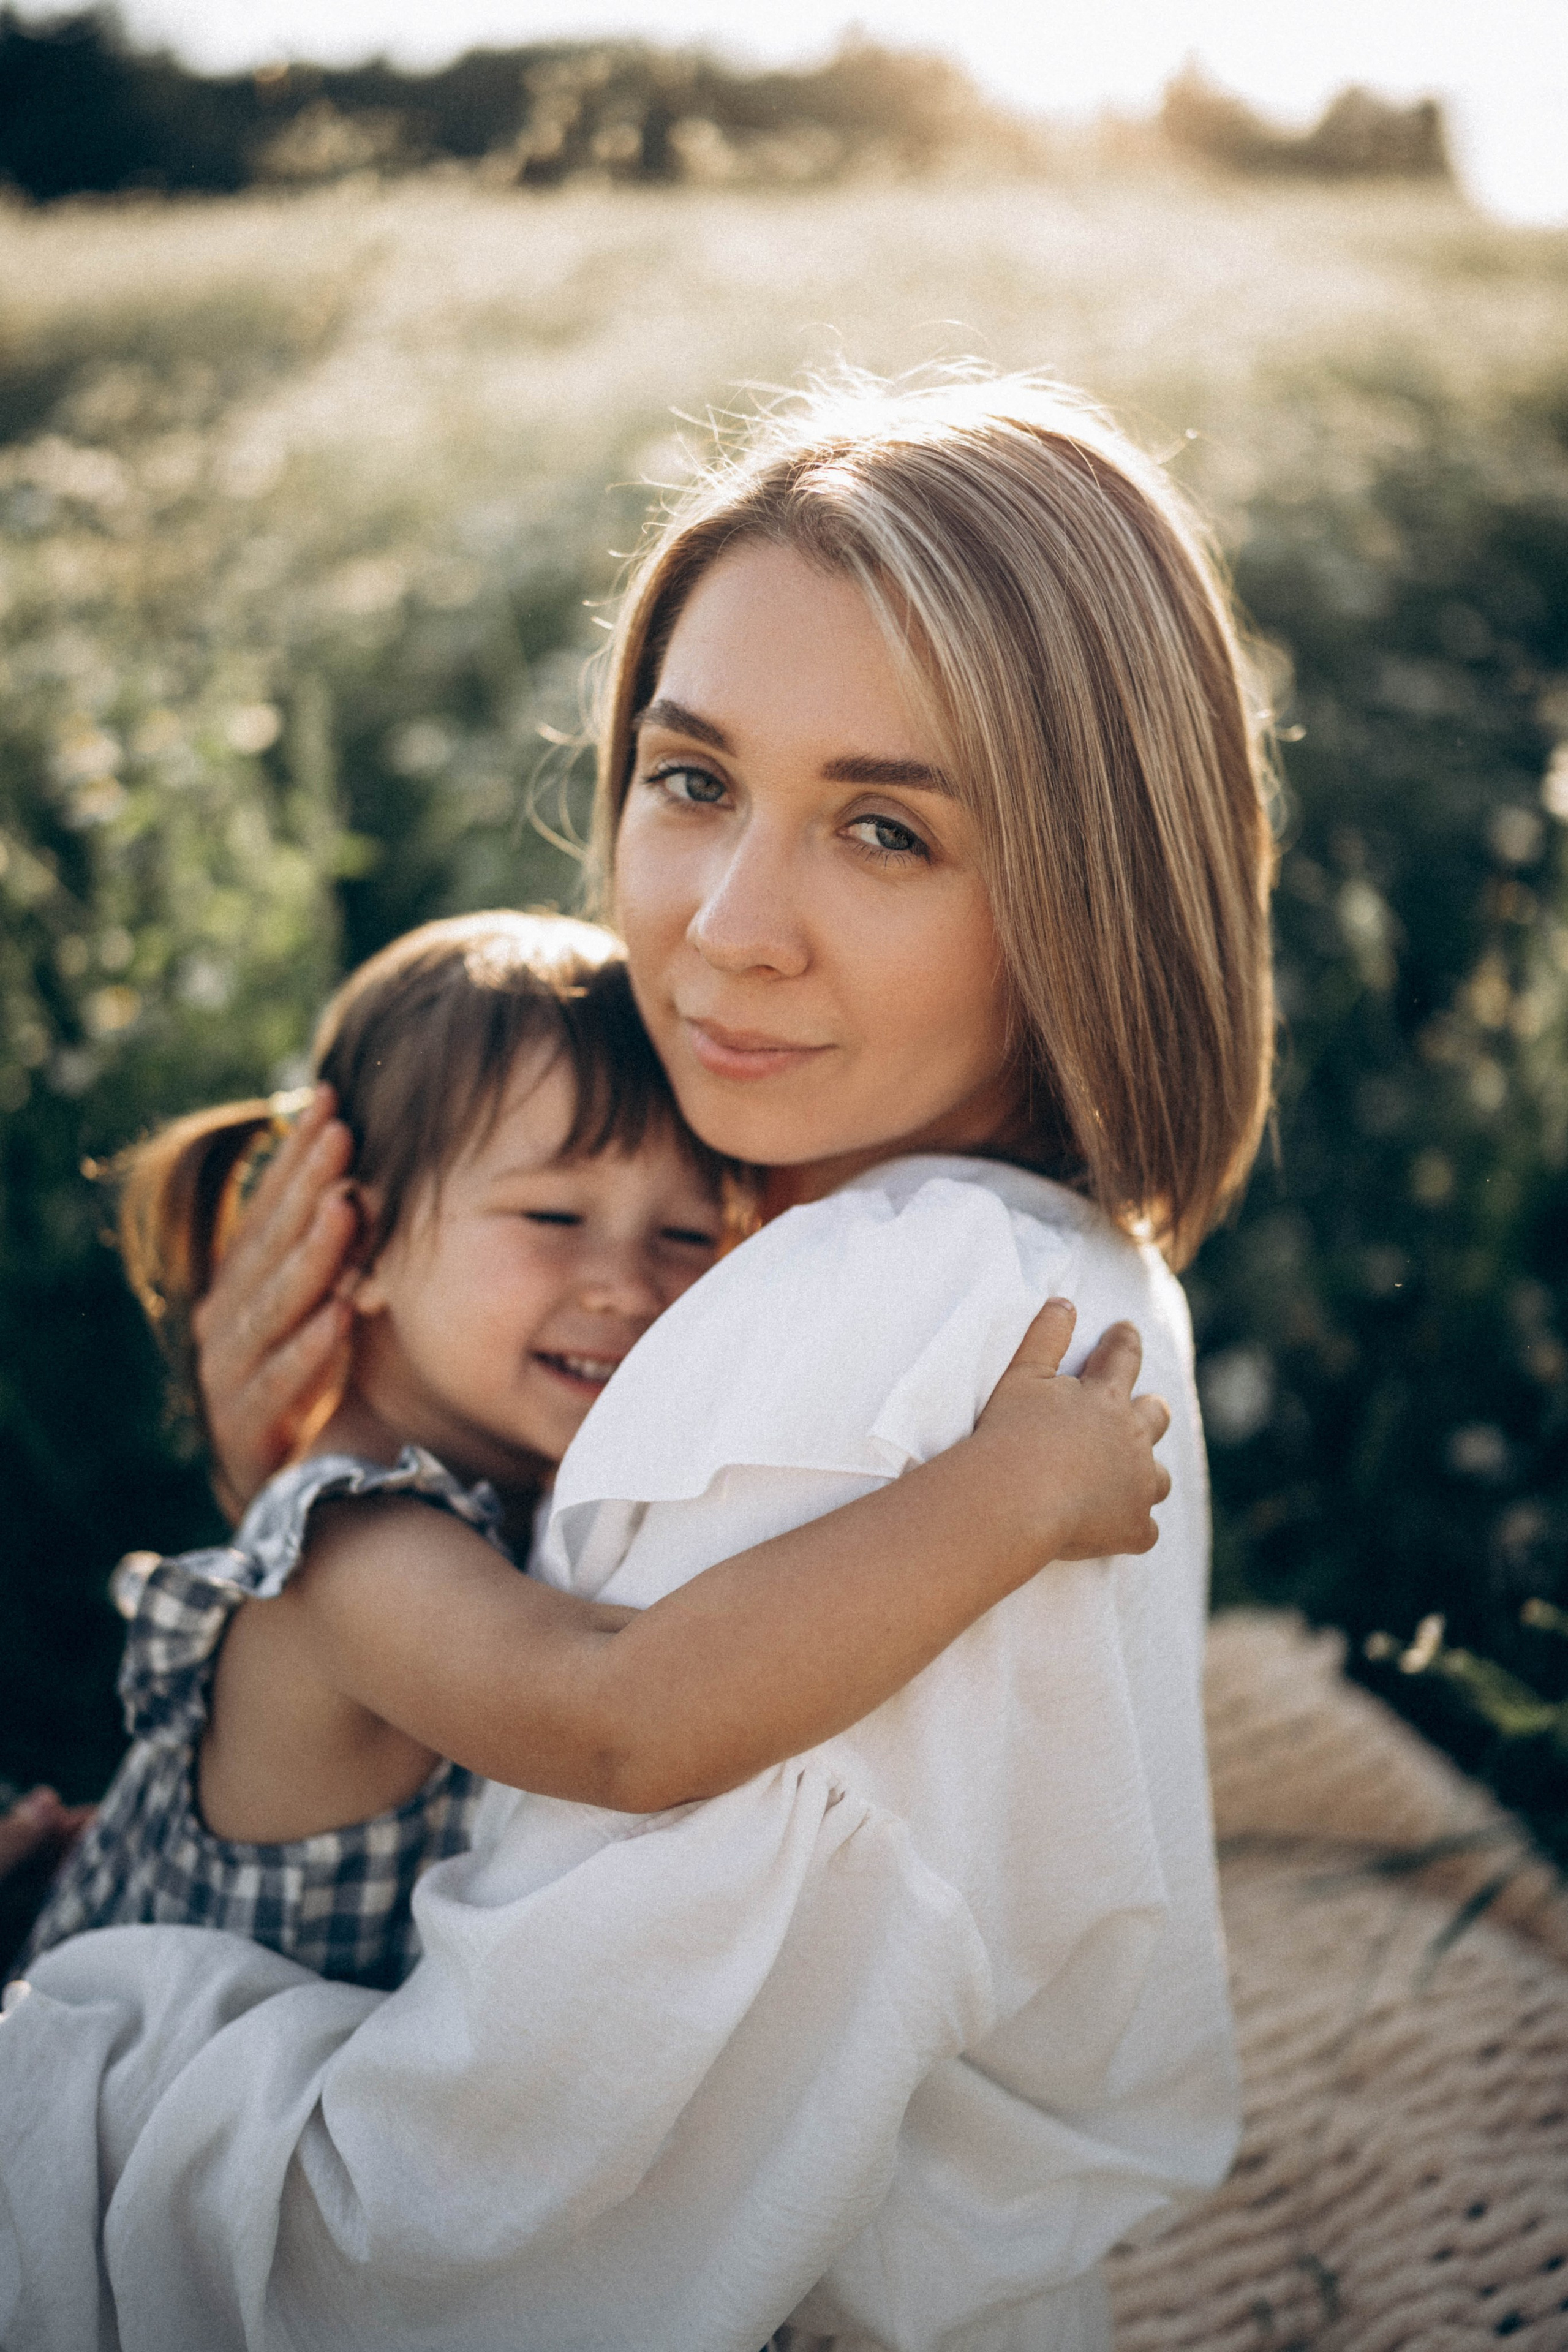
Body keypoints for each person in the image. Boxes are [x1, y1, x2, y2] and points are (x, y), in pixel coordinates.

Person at [0, 368, 1275, 2352]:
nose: (724, 929)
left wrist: (78, 2048)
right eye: (691, 782)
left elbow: (457, 2248)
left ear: (1088, 888)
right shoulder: (1035, 1271)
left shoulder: (880, 1327)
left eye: (883, 829)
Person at [17, 910, 1166, 1994]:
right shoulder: (350, 1548)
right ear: (353, 1238)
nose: (625, 1284)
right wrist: (1014, 1496)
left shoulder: (499, 1500)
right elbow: (625, 1723)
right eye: (552, 1218)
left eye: (683, 1235)